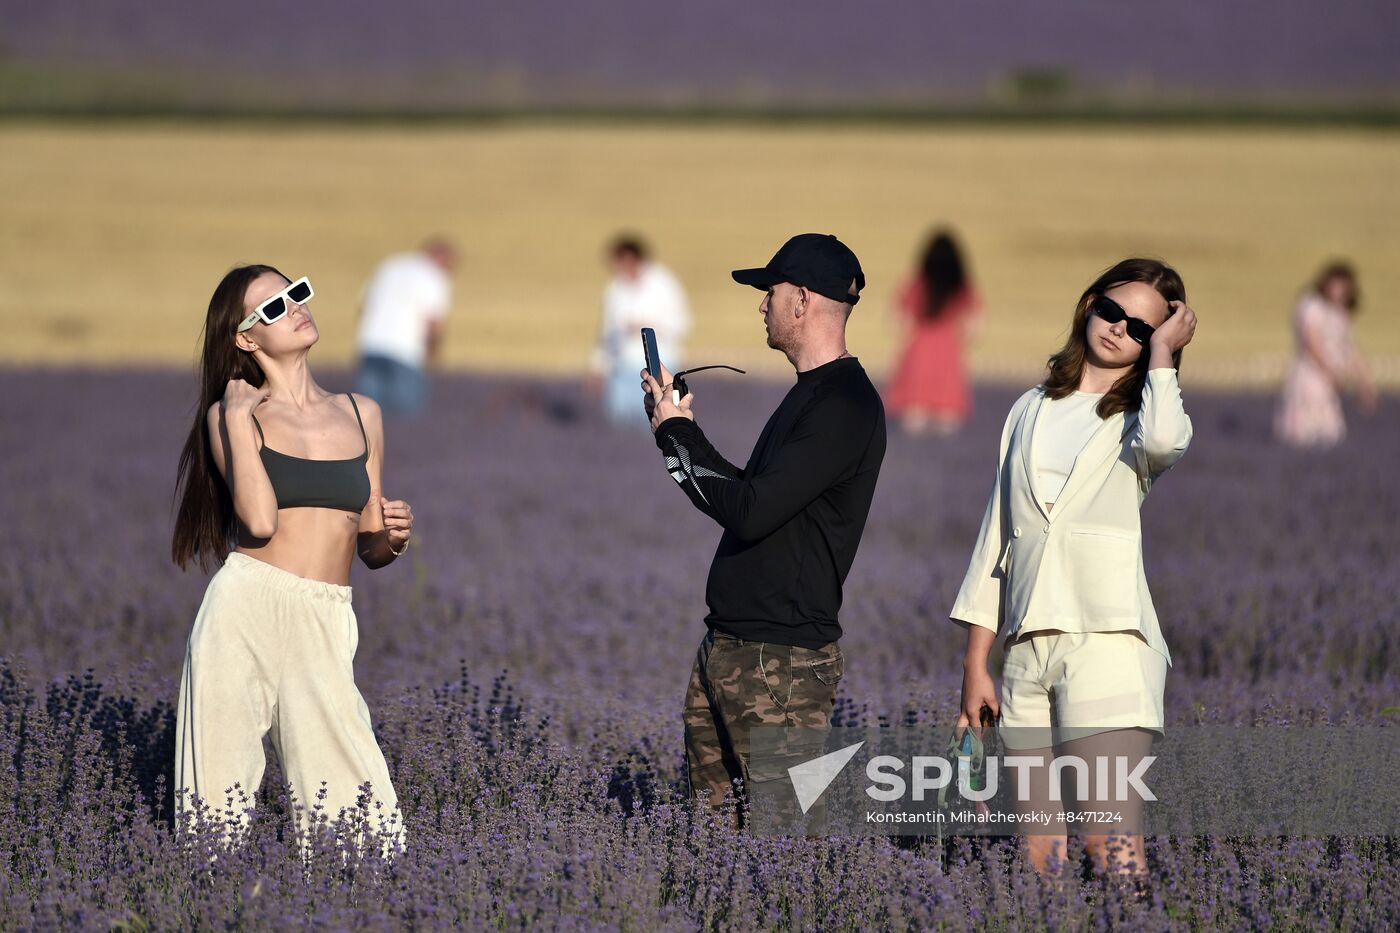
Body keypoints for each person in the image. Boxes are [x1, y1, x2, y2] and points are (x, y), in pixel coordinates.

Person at [949, 258, 1198, 880]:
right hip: (1025, 657)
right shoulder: (1029, 408)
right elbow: (994, 544)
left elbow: (1167, 443)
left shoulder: (1144, 417)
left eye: (1142, 329)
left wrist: (1163, 358)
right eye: (1112, 311)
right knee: (1041, 857)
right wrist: (976, 664)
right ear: (1090, 303)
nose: (1120, 330)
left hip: (1108, 645)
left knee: (1108, 847)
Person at [642, 233, 886, 828]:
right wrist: (681, 429)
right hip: (733, 649)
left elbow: (747, 510)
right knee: (717, 846)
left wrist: (675, 435)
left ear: (801, 300)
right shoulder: (811, 397)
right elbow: (754, 499)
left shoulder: (843, 407)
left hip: (781, 667)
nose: (762, 305)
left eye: (769, 292)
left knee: (786, 848)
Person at [172, 265, 414, 843]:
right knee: (215, 806)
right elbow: (257, 521)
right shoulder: (234, 418)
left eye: (296, 292)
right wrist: (233, 414)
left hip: (326, 614)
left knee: (363, 818)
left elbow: (370, 547)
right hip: (246, 608)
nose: (296, 307)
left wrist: (394, 540)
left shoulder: (362, 413)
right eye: (274, 307)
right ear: (246, 339)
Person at [883, 229, 983, 435]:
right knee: (949, 423)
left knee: (913, 422)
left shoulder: (917, 283)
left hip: (918, 355)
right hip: (948, 358)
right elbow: (976, 324)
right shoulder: (961, 287)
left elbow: (896, 319)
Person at [589, 234, 691, 429]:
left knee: (659, 423)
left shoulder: (664, 283)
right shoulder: (615, 289)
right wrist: (597, 367)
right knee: (620, 422)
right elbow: (607, 332)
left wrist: (648, 326)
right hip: (623, 368)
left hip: (660, 366)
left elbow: (682, 323)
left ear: (633, 258)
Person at [1274, 261, 1378, 448]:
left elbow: (1348, 350)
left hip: (1330, 382)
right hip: (1310, 378)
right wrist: (1332, 373)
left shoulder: (1340, 313)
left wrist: (1364, 383)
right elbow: (1311, 343)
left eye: (1343, 287)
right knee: (1304, 435)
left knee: (1331, 435)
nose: (1338, 291)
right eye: (1335, 285)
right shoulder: (1311, 306)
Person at [354, 238, 457, 416]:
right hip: (406, 353)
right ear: (442, 259)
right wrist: (433, 358)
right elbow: (433, 324)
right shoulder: (434, 276)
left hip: (371, 346)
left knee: (366, 417)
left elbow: (363, 306)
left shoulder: (390, 266)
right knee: (405, 417)